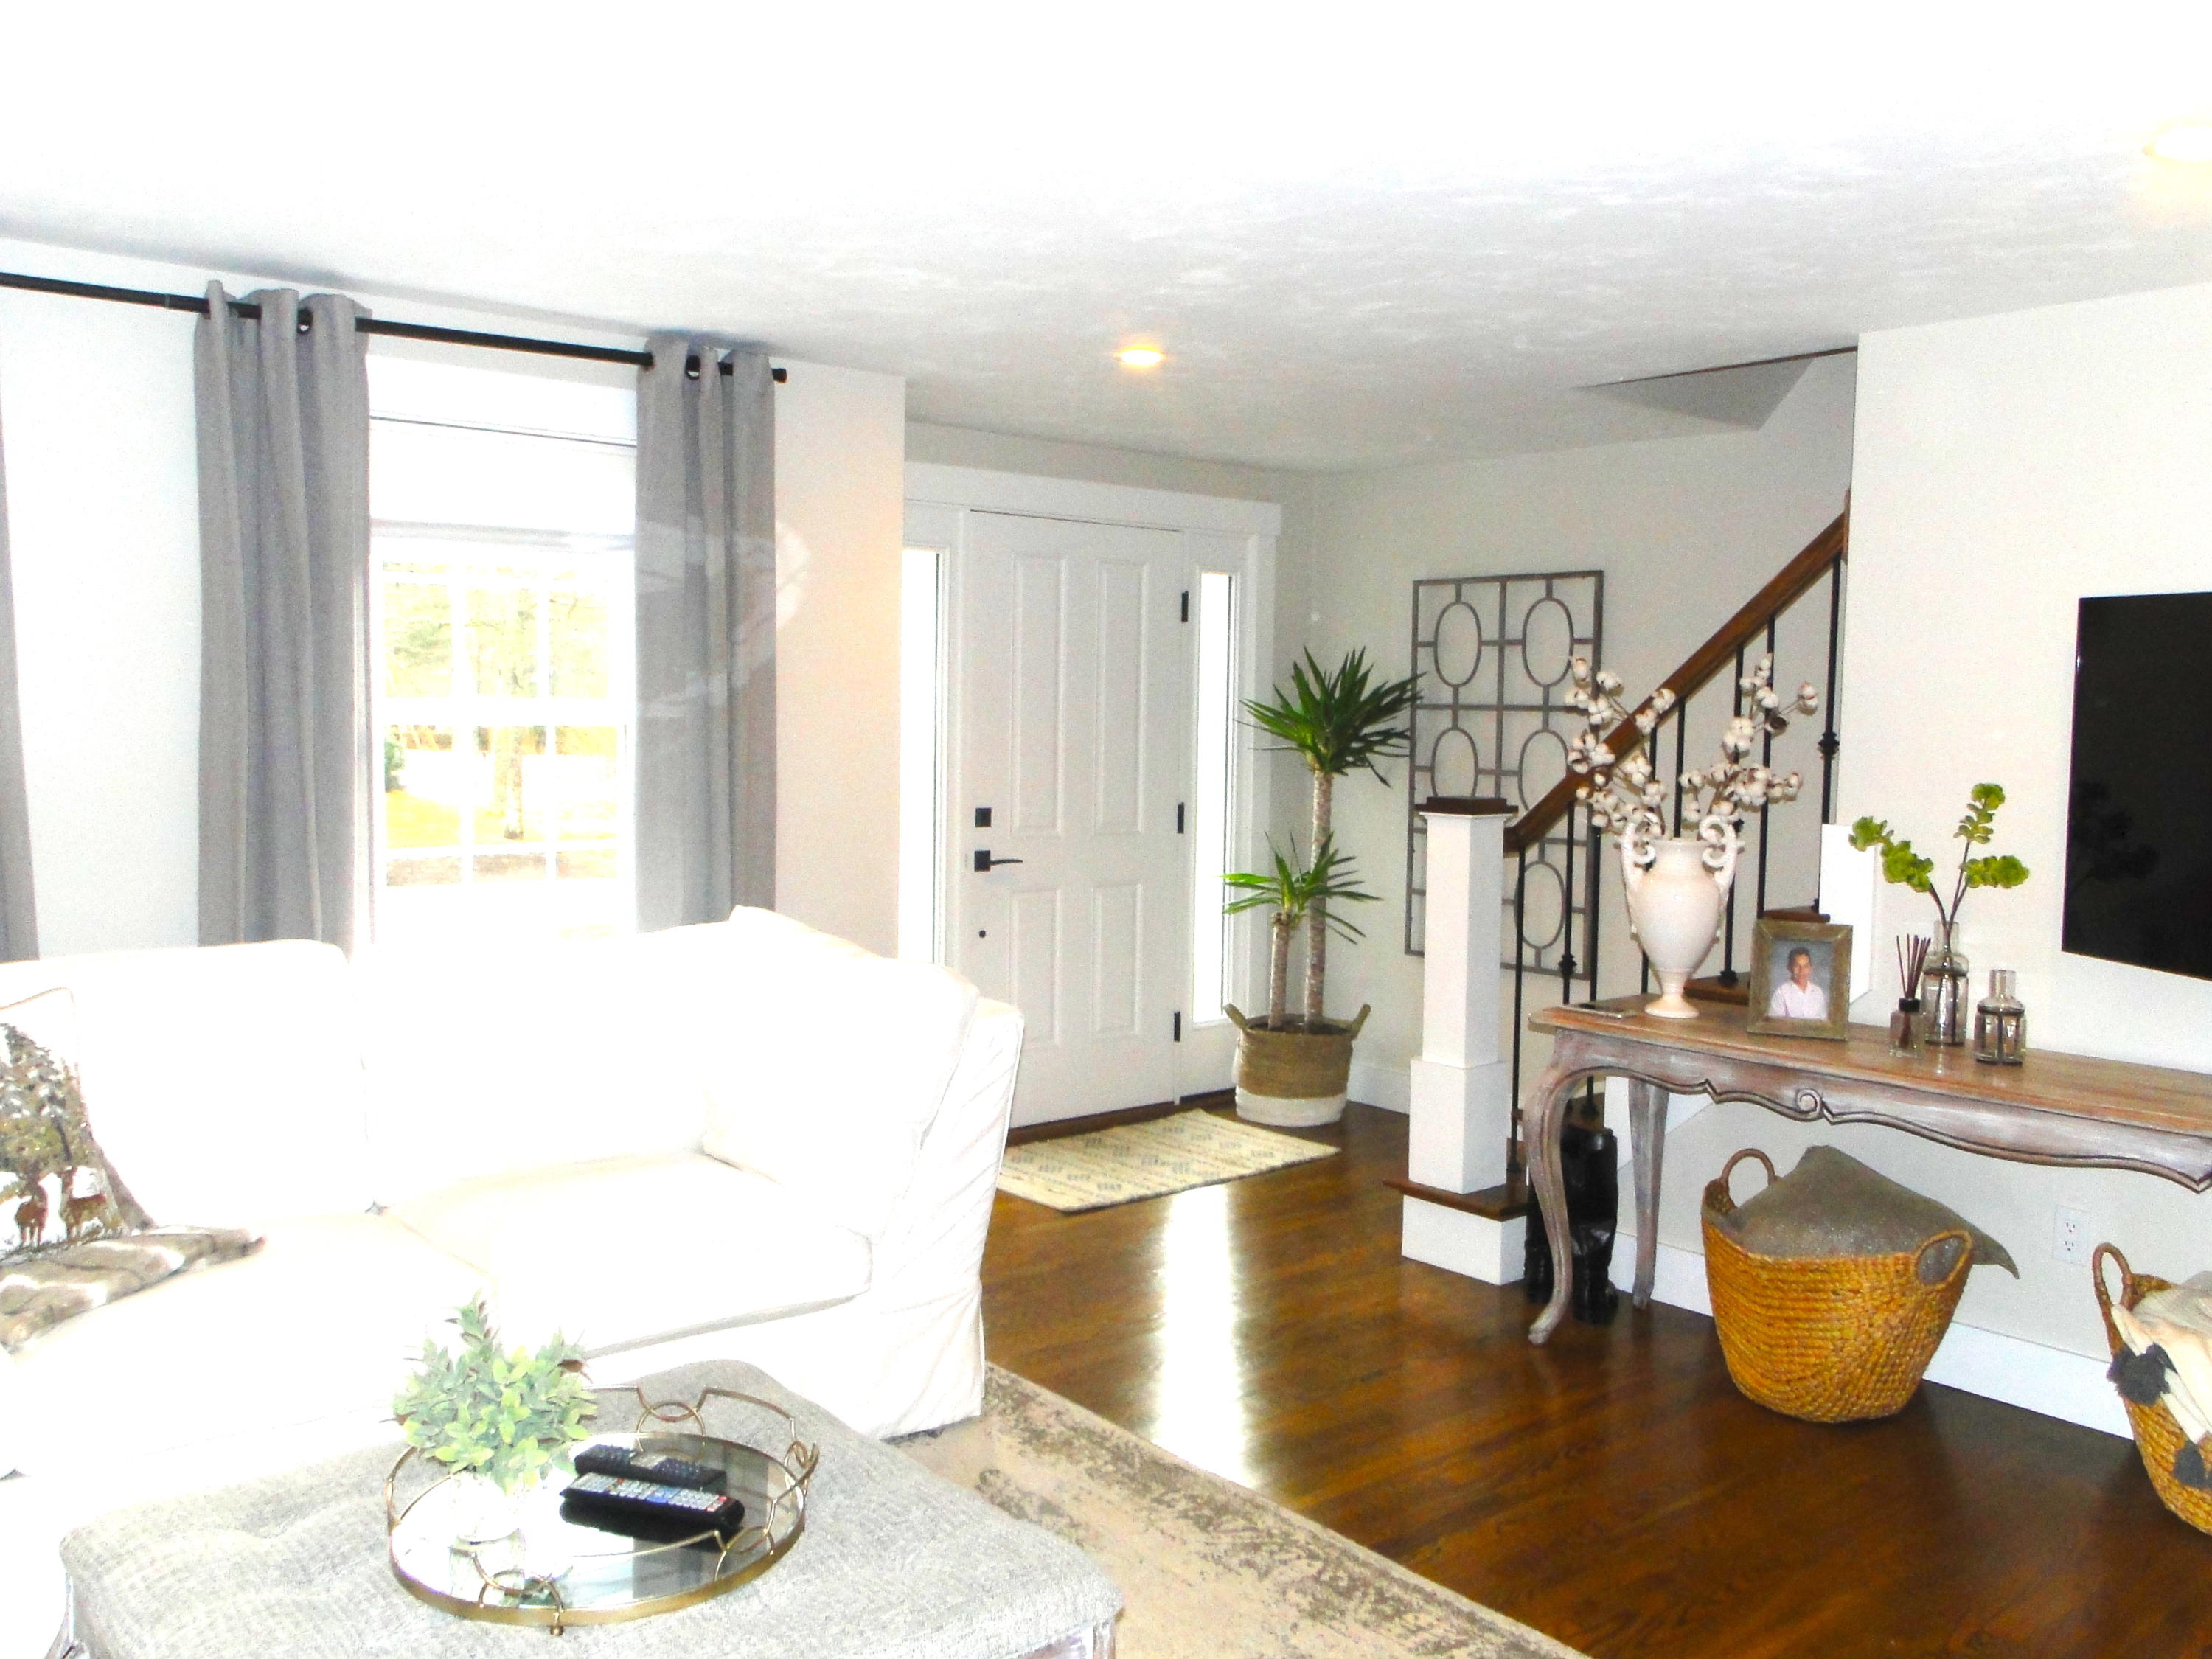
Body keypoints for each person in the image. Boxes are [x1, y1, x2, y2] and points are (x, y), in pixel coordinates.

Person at [1767, 946, 1829, 1020]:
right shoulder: (1781, 992)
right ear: (1789, 967)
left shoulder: (1818, 992)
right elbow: (1774, 1024)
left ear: (1811, 969)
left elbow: (1822, 1022)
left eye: (1806, 966)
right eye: (1797, 966)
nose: (1801, 971)